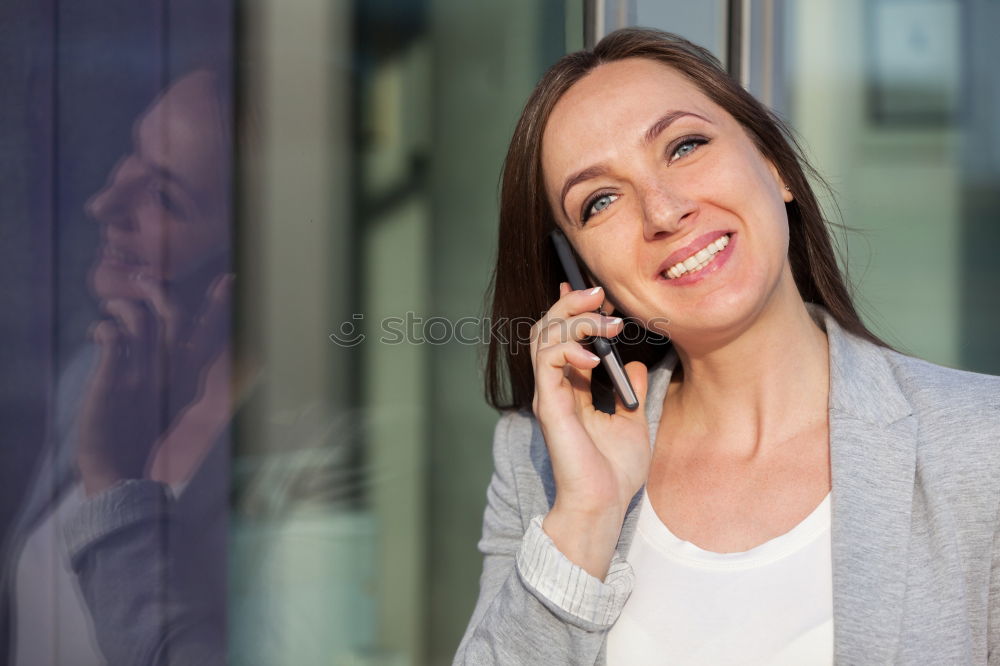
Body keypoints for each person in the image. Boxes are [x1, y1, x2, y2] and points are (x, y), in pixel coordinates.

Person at [455, 28, 1000, 665]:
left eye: (684, 146)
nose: (662, 212)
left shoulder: (981, 445)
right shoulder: (540, 464)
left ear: (773, 165)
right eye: (601, 200)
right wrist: (586, 516)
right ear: (579, 272)